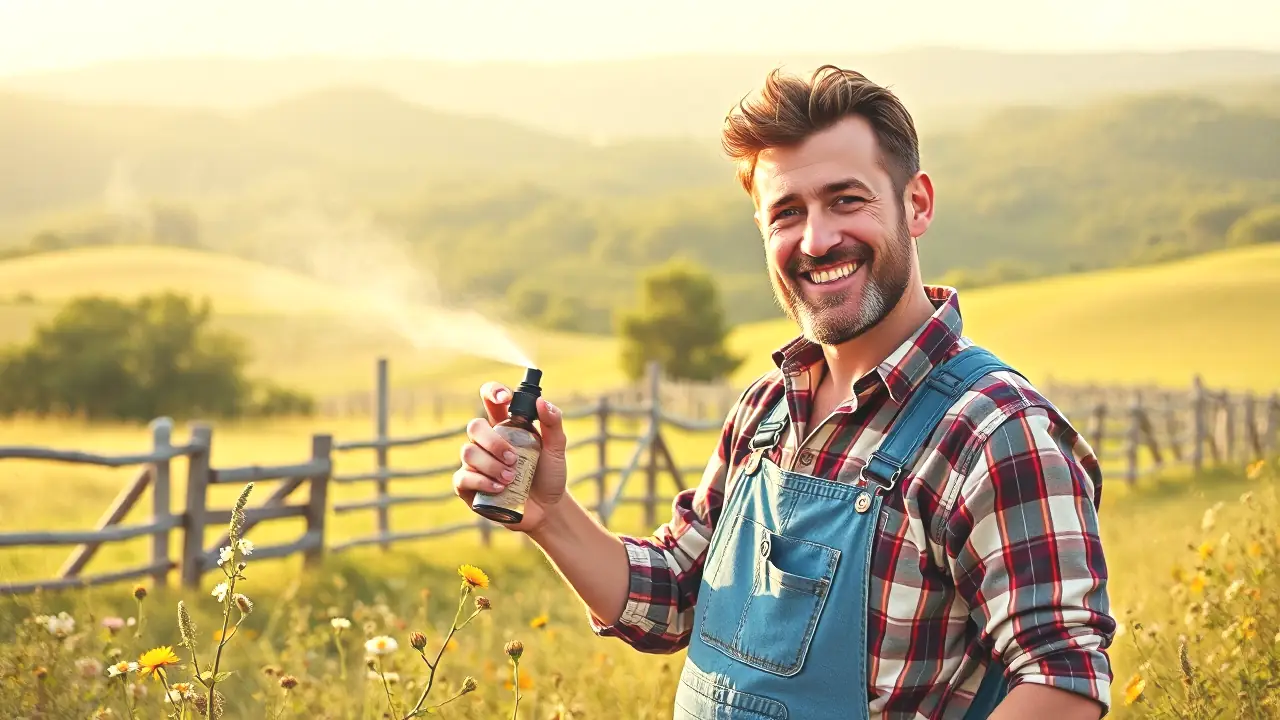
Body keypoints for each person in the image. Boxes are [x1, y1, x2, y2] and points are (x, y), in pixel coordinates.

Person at [453, 65, 1115, 719]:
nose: (817, 239)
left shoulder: (994, 429)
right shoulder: (766, 410)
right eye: (787, 214)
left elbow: (1062, 679)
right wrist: (549, 513)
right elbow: (676, 596)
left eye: (846, 201)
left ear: (916, 203)